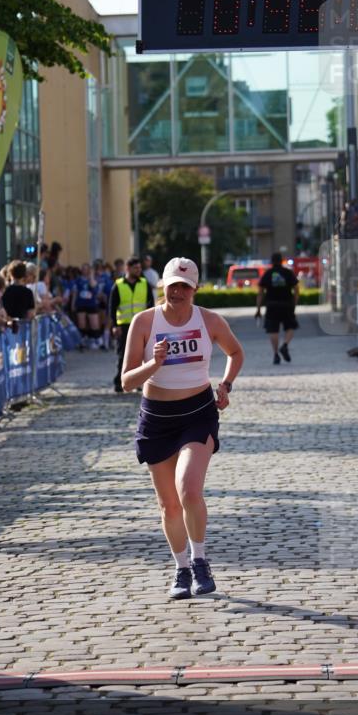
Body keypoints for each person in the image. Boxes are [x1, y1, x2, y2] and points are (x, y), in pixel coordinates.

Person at [121, 256, 244, 599]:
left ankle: (200, 560)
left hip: (198, 412)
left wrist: (226, 385)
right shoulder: (144, 322)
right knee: (169, 505)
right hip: (157, 418)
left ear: (195, 289)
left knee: (189, 490)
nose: (178, 292)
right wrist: (153, 363)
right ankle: (181, 568)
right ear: (162, 285)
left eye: (185, 287)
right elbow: (126, 381)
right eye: (173, 285)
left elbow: (235, 353)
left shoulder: (209, 320)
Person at [109, 256, 154, 393]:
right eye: (136, 268)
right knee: (123, 355)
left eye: (140, 268)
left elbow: (150, 303)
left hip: (141, 325)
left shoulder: (144, 283)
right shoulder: (119, 284)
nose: (139, 270)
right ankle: (119, 382)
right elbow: (112, 307)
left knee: (143, 354)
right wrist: (114, 326)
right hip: (124, 326)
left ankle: (139, 383)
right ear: (128, 268)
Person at [255, 252, 299, 364]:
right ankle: (285, 345)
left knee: (273, 330)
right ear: (282, 260)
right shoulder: (288, 273)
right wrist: (294, 303)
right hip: (287, 304)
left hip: (271, 305)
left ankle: (275, 354)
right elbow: (297, 290)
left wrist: (258, 309)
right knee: (290, 327)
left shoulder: (267, 273)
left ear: (271, 261)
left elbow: (260, 293)